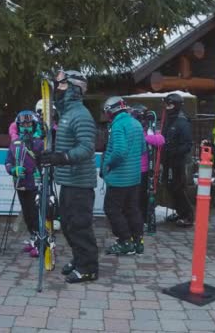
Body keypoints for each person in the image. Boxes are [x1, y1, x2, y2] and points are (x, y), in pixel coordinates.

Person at [39, 70, 98, 283]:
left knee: (79, 225)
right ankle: (79, 258)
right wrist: (51, 156)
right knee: (68, 225)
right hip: (68, 180)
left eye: (62, 85)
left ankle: (88, 268)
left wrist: (60, 157)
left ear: (74, 88)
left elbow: (86, 149)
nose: (58, 90)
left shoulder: (80, 115)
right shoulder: (67, 114)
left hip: (80, 182)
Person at [101, 97, 145, 255]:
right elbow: (142, 150)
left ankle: (125, 241)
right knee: (132, 209)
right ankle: (138, 241)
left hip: (119, 178)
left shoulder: (118, 125)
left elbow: (119, 151)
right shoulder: (136, 123)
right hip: (134, 177)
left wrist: (108, 164)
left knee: (112, 209)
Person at [5, 110, 44, 257]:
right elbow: (7, 161)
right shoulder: (14, 144)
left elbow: (43, 160)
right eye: (22, 125)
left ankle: (42, 242)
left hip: (34, 184)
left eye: (29, 124)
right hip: (20, 184)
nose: (25, 127)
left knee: (35, 214)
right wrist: (13, 170)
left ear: (34, 126)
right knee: (27, 214)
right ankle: (33, 238)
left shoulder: (39, 143)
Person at [130, 104, 164, 237]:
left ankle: (143, 220)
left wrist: (148, 137)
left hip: (144, 169)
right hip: (131, 168)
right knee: (132, 198)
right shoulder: (132, 128)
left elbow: (161, 140)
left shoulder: (148, 130)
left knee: (142, 197)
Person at [161, 93, 194, 227]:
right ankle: (180, 212)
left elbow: (187, 144)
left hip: (177, 161)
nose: (167, 108)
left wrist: (173, 152)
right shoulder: (169, 118)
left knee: (178, 188)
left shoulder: (182, 121)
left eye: (170, 105)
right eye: (166, 105)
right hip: (168, 160)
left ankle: (188, 215)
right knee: (170, 186)